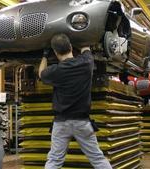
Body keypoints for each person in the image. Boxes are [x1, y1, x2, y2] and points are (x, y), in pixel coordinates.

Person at [39, 33, 112, 169]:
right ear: (71, 47)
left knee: (54, 160)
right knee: (97, 158)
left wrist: (44, 55)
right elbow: (86, 47)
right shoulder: (86, 63)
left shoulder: (55, 71)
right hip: (82, 123)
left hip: (61, 123)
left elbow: (41, 73)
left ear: (55, 52)